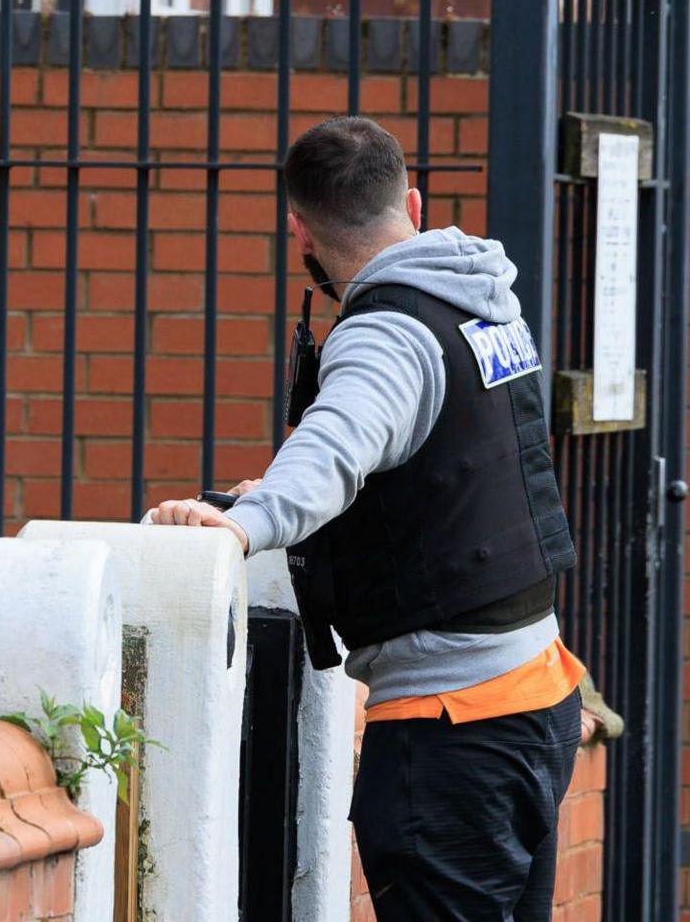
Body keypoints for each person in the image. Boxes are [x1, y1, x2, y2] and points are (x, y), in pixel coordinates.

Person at [151, 116, 584, 920]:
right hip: (535, 701)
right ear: (411, 202)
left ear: (300, 233)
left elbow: (339, 442)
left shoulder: (388, 332)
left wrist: (248, 523)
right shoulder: (483, 302)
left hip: (452, 735)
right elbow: (433, 465)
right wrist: (268, 497)